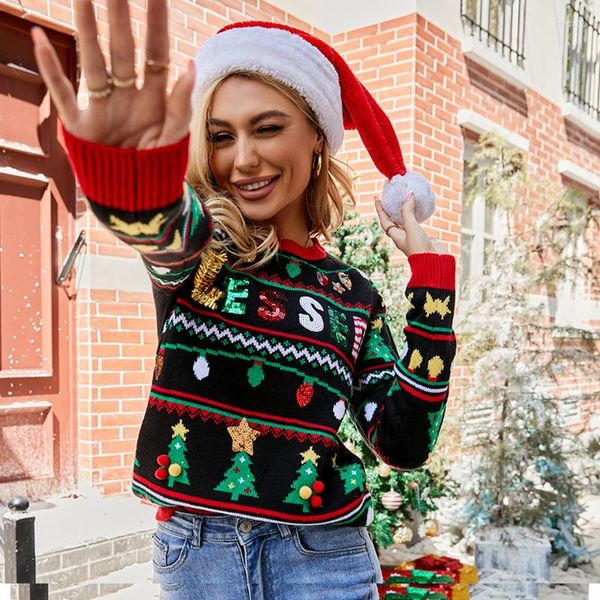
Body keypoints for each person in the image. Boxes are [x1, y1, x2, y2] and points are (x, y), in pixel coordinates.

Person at [32, 2, 457, 599]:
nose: (244, 159)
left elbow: (403, 443)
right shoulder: (202, 251)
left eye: (267, 127)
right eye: (220, 137)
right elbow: (158, 226)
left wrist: (431, 281)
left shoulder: (353, 297)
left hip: (324, 557)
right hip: (197, 556)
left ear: (316, 136)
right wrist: (128, 182)